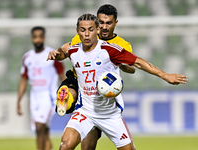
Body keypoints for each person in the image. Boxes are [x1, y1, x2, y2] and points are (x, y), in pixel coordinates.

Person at [47, 13, 188, 150]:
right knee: (65, 145)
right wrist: (56, 54)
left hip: (110, 114)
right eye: (82, 30)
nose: (86, 34)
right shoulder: (73, 51)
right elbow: (62, 53)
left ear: (97, 30)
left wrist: (165, 76)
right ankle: (68, 98)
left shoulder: (109, 50)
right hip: (85, 111)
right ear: (77, 32)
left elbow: (138, 62)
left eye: (91, 30)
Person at [54, 4, 136, 150]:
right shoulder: (85, 36)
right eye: (101, 23)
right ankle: (67, 99)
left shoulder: (121, 45)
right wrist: (58, 52)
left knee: (88, 146)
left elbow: (132, 68)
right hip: (79, 80)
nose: (104, 27)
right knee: (72, 88)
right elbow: (66, 52)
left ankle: (69, 100)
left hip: (101, 91)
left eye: (108, 23)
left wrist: (122, 64)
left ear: (115, 23)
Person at [17, 26, 66, 150]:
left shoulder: (53, 55)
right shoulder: (27, 57)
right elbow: (24, 79)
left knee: (39, 127)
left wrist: (67, 94)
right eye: (35, 37)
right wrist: (19, 100)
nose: (38, 39)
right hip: (34, 97)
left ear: (44, 37)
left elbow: (62, 76)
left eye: (40, 36)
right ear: (31, 38)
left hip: (48, 96)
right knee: (43, 131)